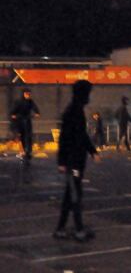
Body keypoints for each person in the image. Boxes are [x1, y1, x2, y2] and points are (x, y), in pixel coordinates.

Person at [53, 80, 100, 242]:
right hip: (73, 161)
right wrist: (62, 161)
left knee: (69, 195)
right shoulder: (74, 112)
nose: (89, 97)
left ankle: (60, 229)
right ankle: (79, 230)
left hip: (75, 160)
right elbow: (65, 138)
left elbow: (80, 135)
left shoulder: (75, 110)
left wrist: (92, 151)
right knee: (75, 195)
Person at [10, 88, 40, 166]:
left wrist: (37, 112)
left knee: (29, 136)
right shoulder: (19, 101)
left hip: (27, 120)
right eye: (27, 94)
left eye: (29, 94)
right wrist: (14, 115)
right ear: (23, 94)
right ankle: (24, 151)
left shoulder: (30, 102)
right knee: (22, 137)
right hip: (20, 121)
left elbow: (35, 107)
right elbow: (13, 111)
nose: (28, 95)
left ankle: (28, 151)